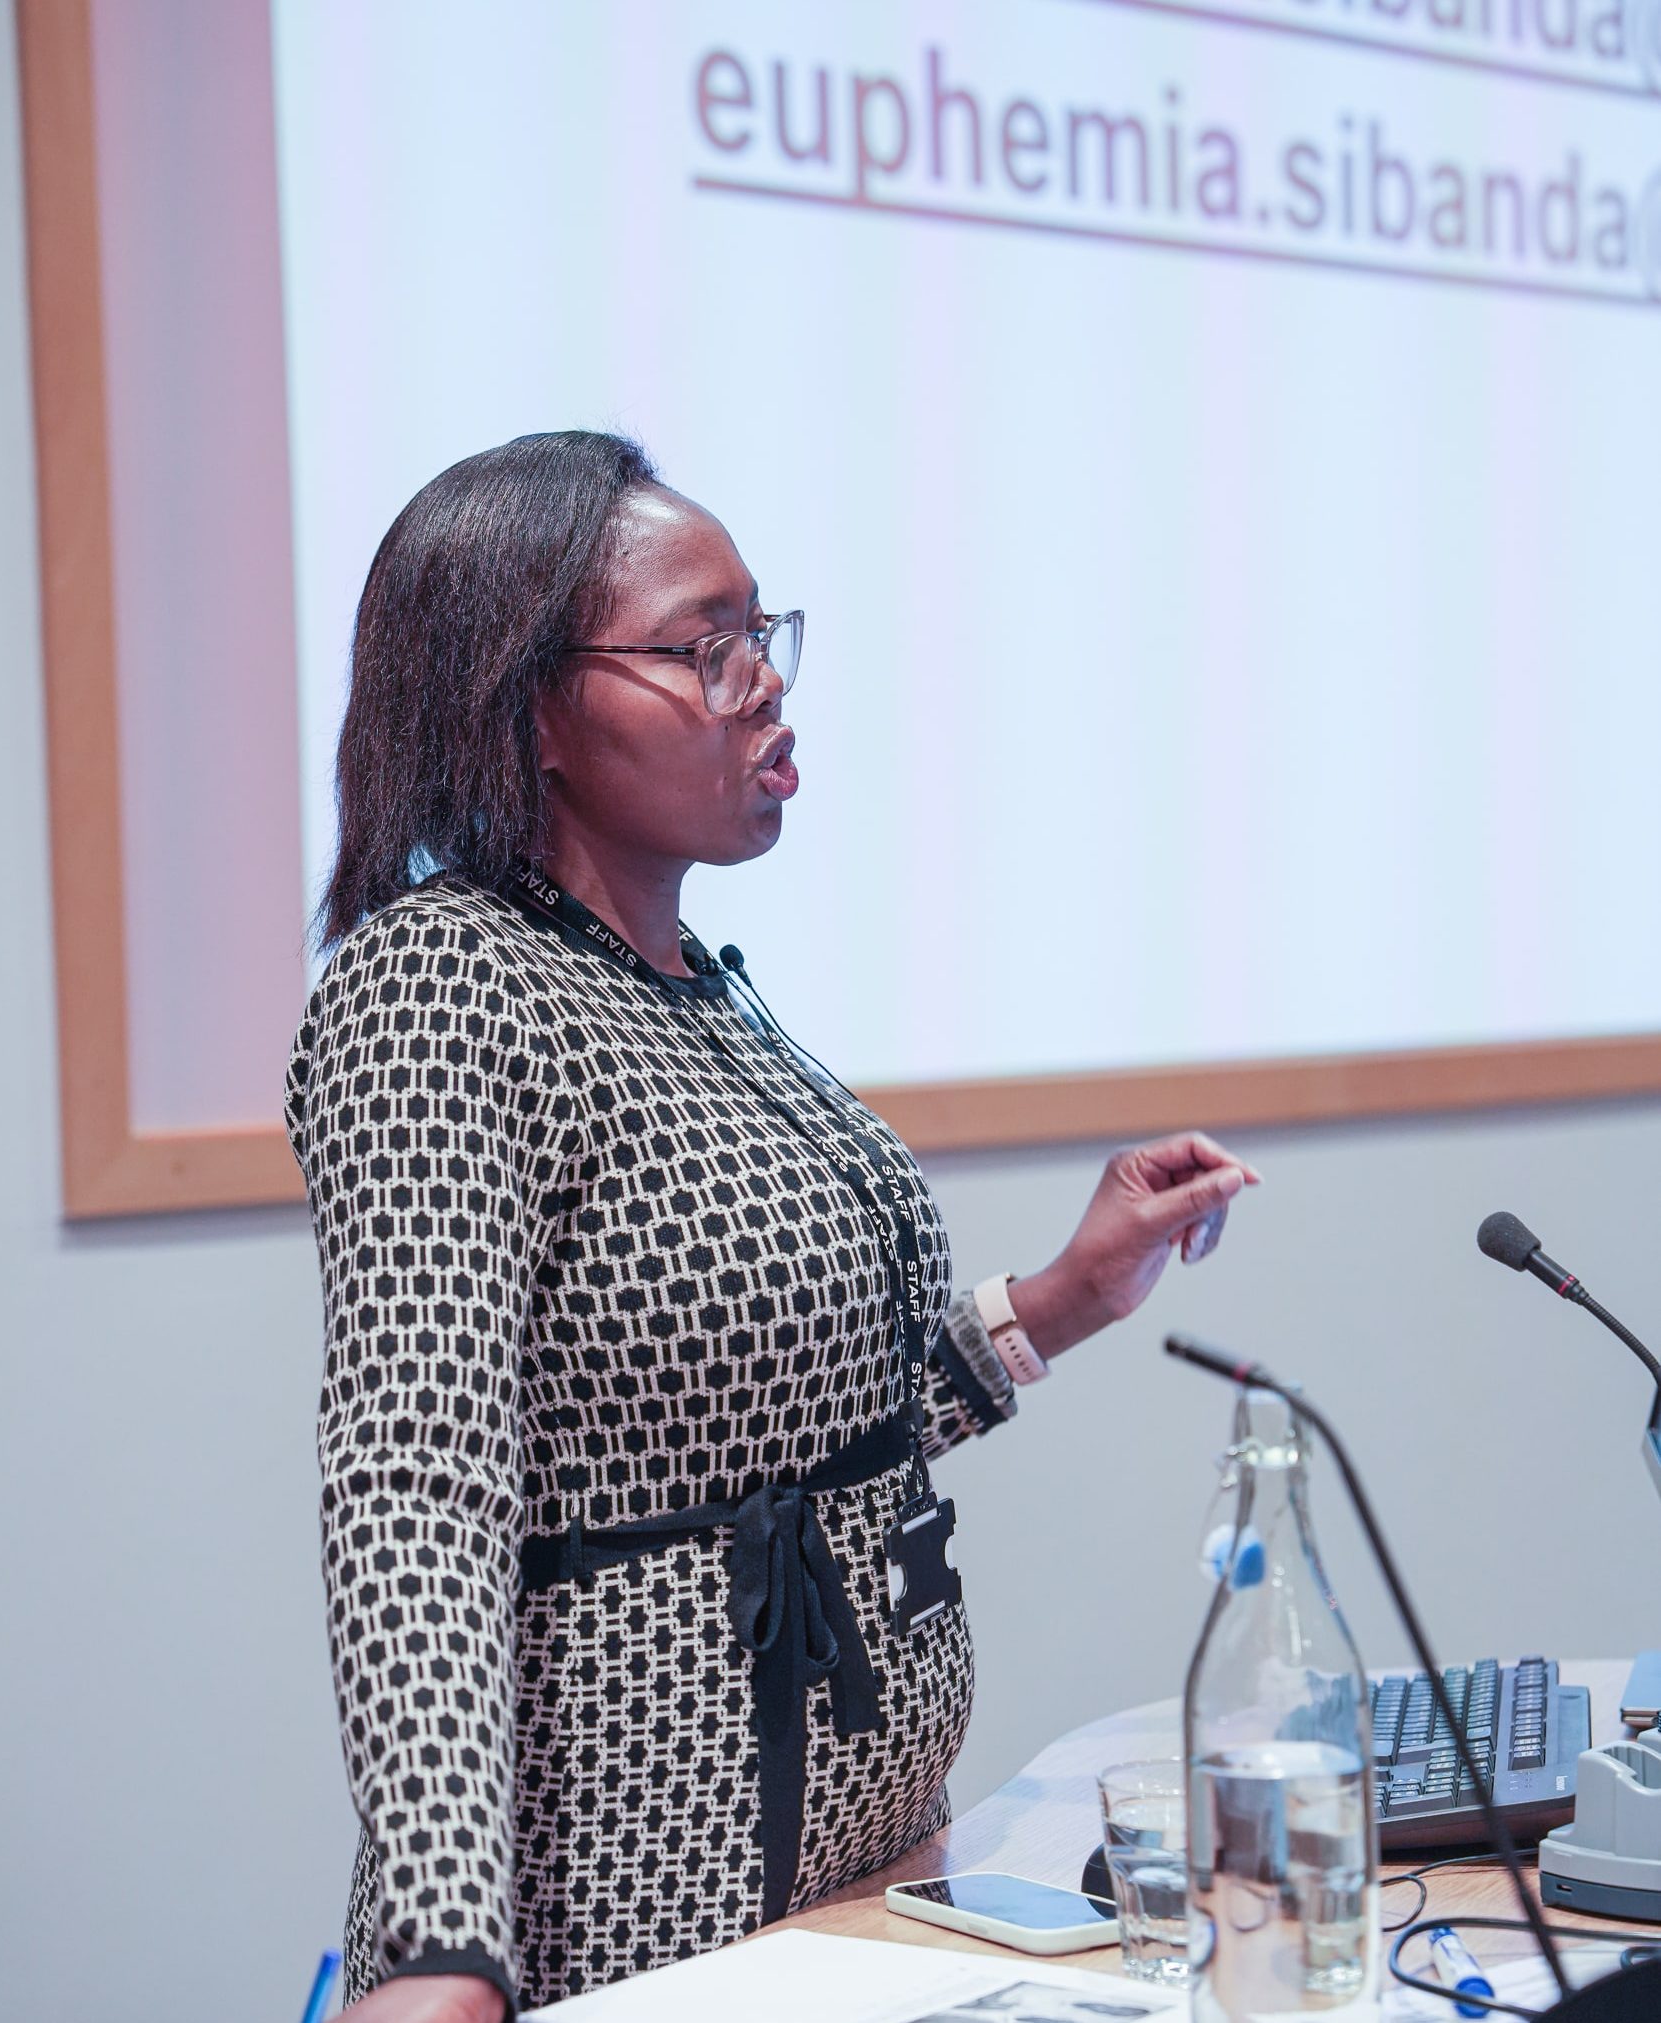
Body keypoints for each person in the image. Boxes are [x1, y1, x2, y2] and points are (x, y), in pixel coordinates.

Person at [285, 431, 1260, 2021]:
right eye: (700, 645)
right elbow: (416, 1486)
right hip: (646, 1905)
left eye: (764, 635)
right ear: (527, 706)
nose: (762, 682)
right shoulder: (439, 986)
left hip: (863, 1868)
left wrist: (1067, 1295)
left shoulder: (704, 992)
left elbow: (784, 1428)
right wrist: (445, 1944)